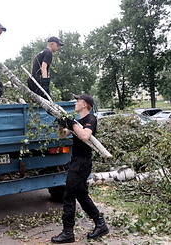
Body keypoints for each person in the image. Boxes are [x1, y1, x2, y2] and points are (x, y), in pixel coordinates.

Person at [51, 94, 109, 243]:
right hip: (76, 161)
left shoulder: (90, 119)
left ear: (85, 105)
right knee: (82, 195)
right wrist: (61, 123)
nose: (75, 103)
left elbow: (85, 135)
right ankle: (100, 224)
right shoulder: (77, 121)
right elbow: (63, 135)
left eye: (78, 101)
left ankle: (68, 232)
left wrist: (72, 123)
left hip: (82, 163)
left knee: (68, 196)